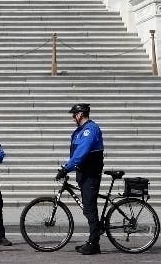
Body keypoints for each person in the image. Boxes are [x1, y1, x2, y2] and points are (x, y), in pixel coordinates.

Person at [56, 103, 105, 256]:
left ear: (80, 114)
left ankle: (94, 243)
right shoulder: (80, 131)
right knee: (89, 207)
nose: (73, 118)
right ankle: (93, 237)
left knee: (89, 207)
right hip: (84, 173)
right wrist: (69, 166)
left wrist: (66, 168)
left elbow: (81, 153)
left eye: (74, 115)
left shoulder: (90, 130)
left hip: (90, 174)